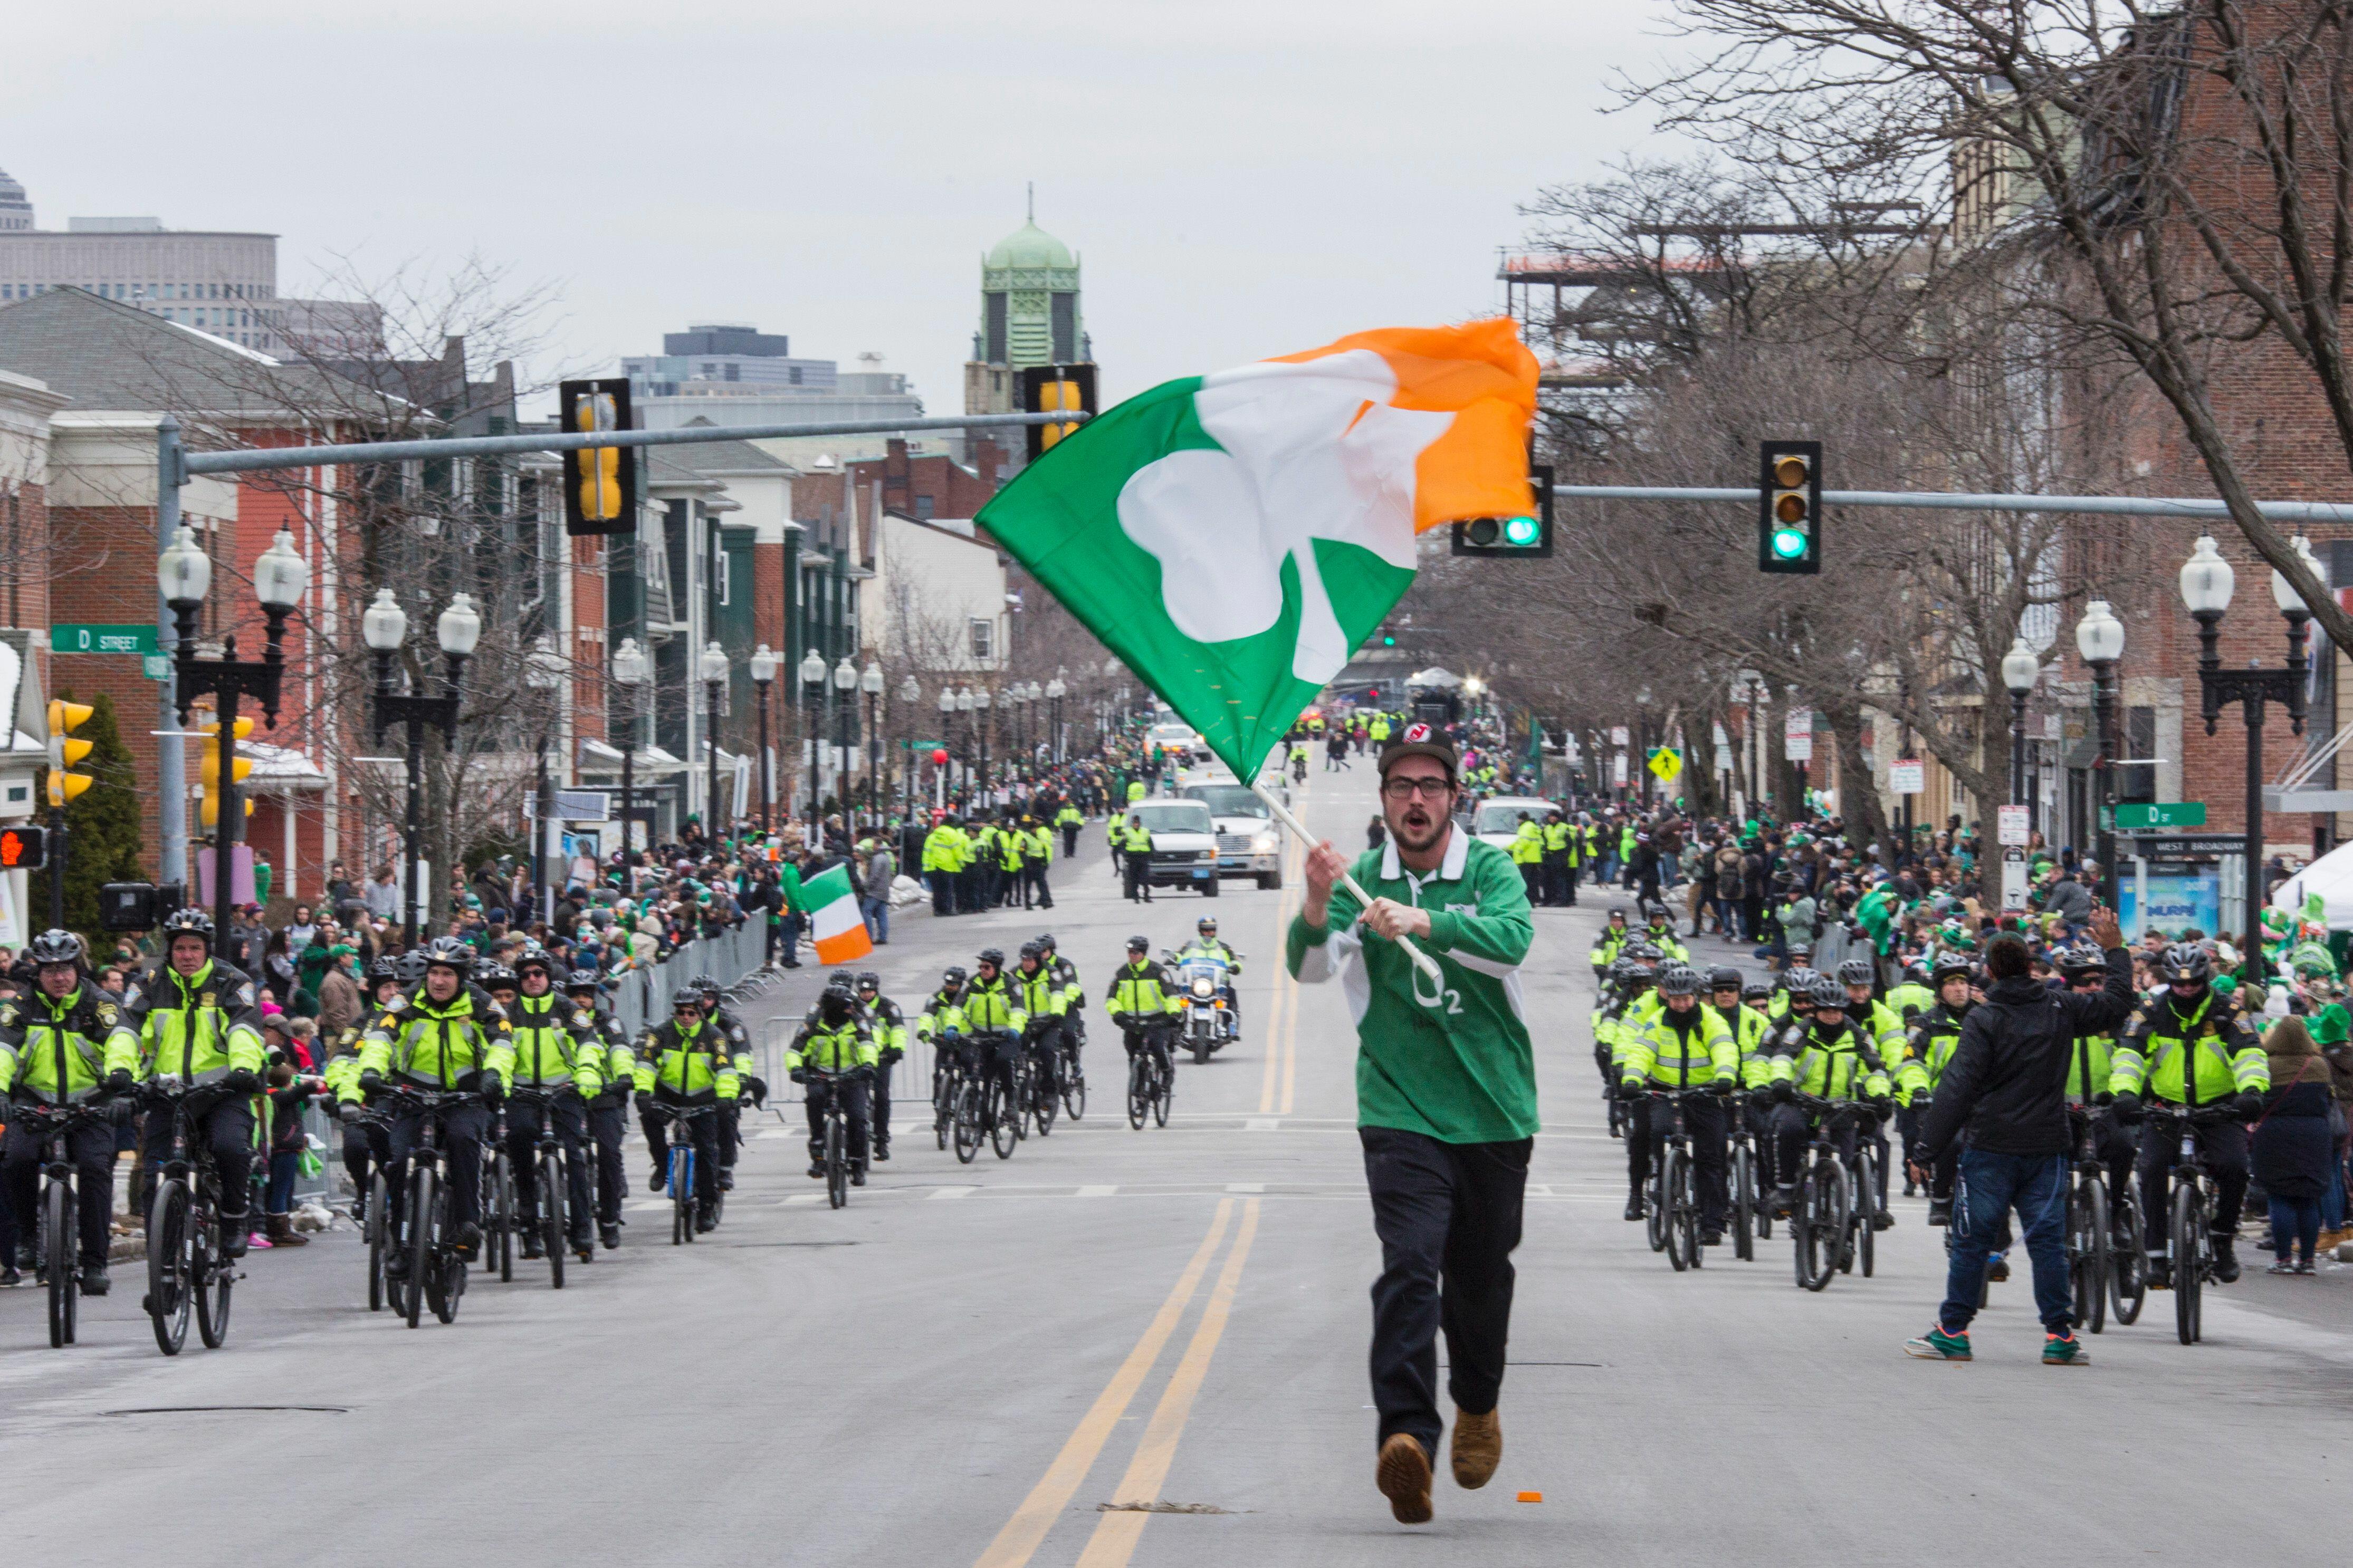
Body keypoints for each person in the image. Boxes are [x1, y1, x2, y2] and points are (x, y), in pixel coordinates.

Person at [1288, 728, 1534, 1526]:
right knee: (1409, 1266)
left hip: (1493, 1110)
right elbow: (1313, 967)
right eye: (1402, 786)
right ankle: (1406, 1438)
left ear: (1454, 797)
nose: (1417, 799)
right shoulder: (1364, 880)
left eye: (1431, 786)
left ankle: (1478, 1403)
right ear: (1385, 798)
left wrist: (1429, 924)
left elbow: (1512, 945)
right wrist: (1320, 902)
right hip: (1398, 1110)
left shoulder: (1488, 869)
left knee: (1479, 1275)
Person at [1903, 910, 2131, 1365]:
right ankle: (2059, 1336)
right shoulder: (2061, 1008)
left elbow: (1957, 1087)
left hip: (1990, 1146)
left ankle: (1954, 1330)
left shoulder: (1985, 1020)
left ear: (1988, 971)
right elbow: (2117, 1003)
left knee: (1972, 1239)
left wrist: (1927, 1148)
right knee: (2047, 1241)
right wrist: (2116, 950)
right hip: (2047, 1145)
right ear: (2031, 966)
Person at [344, 936, 513, 1272]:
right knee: (396, 1157)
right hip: (413, 1095)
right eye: (434, 973)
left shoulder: (483, 1004)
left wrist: (494, 1075)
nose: (438, 980)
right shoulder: (404, 1002)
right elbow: (380, 1038)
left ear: (461, 977)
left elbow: (503, 1042)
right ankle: (401, 1245)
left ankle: (468, 1222)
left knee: (464, 1141)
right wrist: (372, 1072)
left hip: (464, 1097)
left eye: (447, 974)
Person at [2109, 942, 2270, 1286]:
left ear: (2204, 979)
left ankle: (2223, 1237)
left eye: (2193, 984)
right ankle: (2154, 1253)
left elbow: (2250, 1057)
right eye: (2179, 984)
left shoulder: (2229, 1012)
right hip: (2165, 1107)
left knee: (2235, 1167)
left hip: (2220, 1107)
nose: (2185, 990)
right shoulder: (2150, 1011)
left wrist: (2252, 1091)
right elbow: (2129, 1055)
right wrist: (2124, 1093)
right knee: (2151, 1168)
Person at [113, 909, 269, 1260]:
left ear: (207, 950)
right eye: (180, 948)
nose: (187, 955)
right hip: (168, 1095)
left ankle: (233, 1219)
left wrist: (243, 1067)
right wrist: (122, 1071)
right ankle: (164, 1264)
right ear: (170, 950)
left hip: (222, 1091)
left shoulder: (233, 982)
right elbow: (126, 1031)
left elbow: (244, 1030)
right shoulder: (147, 984)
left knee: (231, 1148)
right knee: (155, 1176)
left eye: (195, 947)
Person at [0, 930, 137, 1294]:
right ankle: (30, 1237)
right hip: (34, 1103)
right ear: (38, 972)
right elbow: (4, 1048)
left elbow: (122, 1037)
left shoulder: (99, 1002)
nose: (58, 977)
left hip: (91, 1104)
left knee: (95, 1170)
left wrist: (121, 1077)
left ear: (77, 969)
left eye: (65, 969)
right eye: (49, 970)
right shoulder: (20, 1006)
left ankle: (95, 1263)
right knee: (16, 1159)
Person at [1619, 963, 1737, 1239]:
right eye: (1675, 999)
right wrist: (1632, 1079)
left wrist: (1725, 1076)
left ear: (1695, 996)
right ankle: (1662, 1181)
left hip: (1705, 1093)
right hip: (1665, 1091)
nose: (1681, 1005)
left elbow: (1725, 1047)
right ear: (1667, 998)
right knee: (1657, 1131)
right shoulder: (1656, 1021)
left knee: (1711, 1157)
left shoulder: (1711, 1020)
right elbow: (1641, 1051)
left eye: (1686, 999)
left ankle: (1712, 1223)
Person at [501, 947, 599, 1261]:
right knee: (519, 1142)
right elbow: (497, 1050)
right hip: (521, 1093)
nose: (533, 979)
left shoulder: (568, 1008)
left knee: (574, 1157)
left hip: (564, 1091)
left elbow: (588, 1043)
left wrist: (585, 1073)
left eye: (539, 973)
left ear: (548, 976)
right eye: (526, 974)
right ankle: (529, 1223)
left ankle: (582, 1230)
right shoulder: (508, 1012)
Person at [633, 991, 738, 1232]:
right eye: (681, 1012)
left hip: (703, 1098)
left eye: (691, 1013)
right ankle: (661, 1164)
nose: (686, 1017)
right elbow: (646, 1065)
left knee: (707, 1153)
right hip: (668, 1095)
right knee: (648, 1118)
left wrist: (725, 1097)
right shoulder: (660, 1033)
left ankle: (708, 1207)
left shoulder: (714, 1036)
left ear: (700, 1014)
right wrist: (643, 1092)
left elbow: (726, 1072)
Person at [2254, 1014, 2335, 1274]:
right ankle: (2308, 1260)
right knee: (2308, 1199)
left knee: (2280, 1197)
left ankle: (2283, 1259)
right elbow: (2329, 1102)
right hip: (2315, 1134)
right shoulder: (2320, 1066)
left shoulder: (2267, 1065)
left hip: (2276, 1134)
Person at [567, 969, 636, 1249]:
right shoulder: (560, 1020)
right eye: (576, 995)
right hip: (568, 1097)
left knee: (609, 1155)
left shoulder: (609, 1022)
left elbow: (620, 1050)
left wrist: (623, 1078)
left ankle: (609, 1220)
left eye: (586, 995)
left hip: (604, 1097)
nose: (581, 1000)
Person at [789, 978, 876, 1185]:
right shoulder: (812, 1025)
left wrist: (868, 1065)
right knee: (815, 1099)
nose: (851, 1008)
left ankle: (856, 1162)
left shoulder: (857, 1021)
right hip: (820, 1075)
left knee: (857, 1118)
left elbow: (868, 1045)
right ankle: (818, 1149)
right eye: (847, 1005)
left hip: (851, 1076)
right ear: (834, 1008)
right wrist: (796, 1069)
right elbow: (795, 1050)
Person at [1106, 936, 1177, 1090]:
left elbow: (1171, 995)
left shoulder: (1158, 972)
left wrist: (1174, 1014)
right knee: (1133, 1054)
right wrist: (1118, 1014)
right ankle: (1138, 1095)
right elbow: (1112, 998)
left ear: (1143, 953)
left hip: (1157, 1021)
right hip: (1133, 1023)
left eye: (1135, 952)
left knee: (1158, 1047)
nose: (1131, 955)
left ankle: (1167, 1071)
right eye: (1129, 952)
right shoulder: (1122, 973)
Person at [855, 972, 907, 1161]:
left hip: (883, 1057)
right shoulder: (852, 1007)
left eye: (870, 991)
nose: (867, 994)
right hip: (860, 1058)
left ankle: (881, 1141)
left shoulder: (888, 1007)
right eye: (863, 991)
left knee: (882, 1097)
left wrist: (897, 1048)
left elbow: (898, 1029)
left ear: (876, 990)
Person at [1120, 810, 1155, 903]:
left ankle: (1147, 896)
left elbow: (1151, 845)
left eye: (1137, 823)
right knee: (1134, 879)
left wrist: (1152, 855)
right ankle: (1136, 897)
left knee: (1146, 879)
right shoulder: (1127, 832)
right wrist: (1125, 854)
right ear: (1132, 824)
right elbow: (1122, 845)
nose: (1136, 825)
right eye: (1135, 823)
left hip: (1143, 858)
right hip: (1133, 858)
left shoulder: (1145, 832)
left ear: (1140, 824)